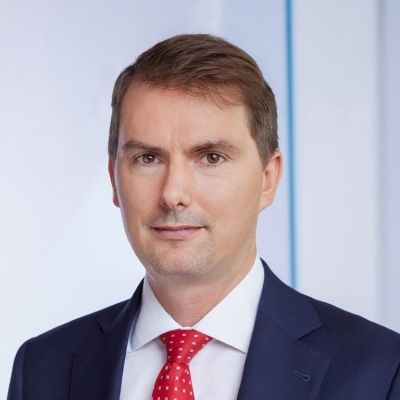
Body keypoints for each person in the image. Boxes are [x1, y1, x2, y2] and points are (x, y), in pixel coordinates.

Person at [7, 34, 400, 400]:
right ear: (114, 179)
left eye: (211, 158)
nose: (173, 194)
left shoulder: (380, 371)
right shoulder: (42, 368)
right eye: (148, 158)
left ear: (268, 178)